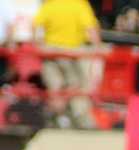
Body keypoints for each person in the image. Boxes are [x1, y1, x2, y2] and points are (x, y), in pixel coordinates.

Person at [33, 0, 102, 129]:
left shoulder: (50, 5)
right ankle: (80, 119)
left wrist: (38, 45)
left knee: (55, 87)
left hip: (50, 51)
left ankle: (58, 118)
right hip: (71, 52)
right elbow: (91, 29)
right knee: (76, 86)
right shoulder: (79, 4)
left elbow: (36, 26)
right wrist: (98, 50)